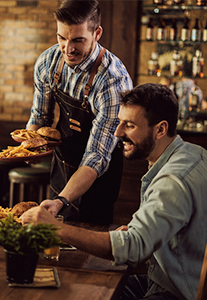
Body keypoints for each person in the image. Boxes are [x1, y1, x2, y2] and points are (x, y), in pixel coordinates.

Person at [22, 83, 207, 300]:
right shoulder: (195, 154)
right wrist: (143, 230)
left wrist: (55, 228)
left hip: (175, 292)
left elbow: (133, 249)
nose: (118, 132)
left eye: (129, 125)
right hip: (172, 278)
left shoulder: (172, 180)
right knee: (89, 288)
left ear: (160, 129)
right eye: (119, 122)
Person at [26, 0, 133, 224]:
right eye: (61, 38)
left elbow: (96, 157)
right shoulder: (48, 62)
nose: (68, 48)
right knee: (53, 248)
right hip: (62, 167)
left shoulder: (113, 81)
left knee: (88, 252)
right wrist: (30, 148)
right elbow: (40, 117)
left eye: (78, 40)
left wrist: (62, 200)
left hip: (97, 181)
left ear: (97, 33)